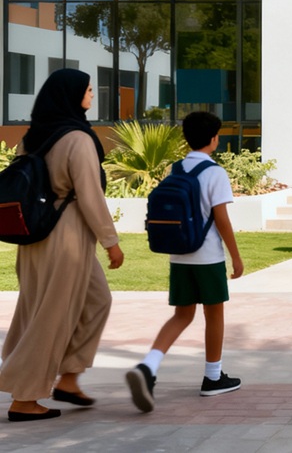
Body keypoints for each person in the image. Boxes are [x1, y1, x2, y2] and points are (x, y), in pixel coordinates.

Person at [0, 68, 124, 422]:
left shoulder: (35, 136)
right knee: (49, 316)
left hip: (37, 234)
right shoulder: (78, 139)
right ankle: (24, 398)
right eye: (87, 90)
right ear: (71, 95)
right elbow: (90, 195)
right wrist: (111, 242)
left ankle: (68, 378)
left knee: (96, 300)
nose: (91, 95)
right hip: (67, 236)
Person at [125, 111, 244, 413]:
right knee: (214, 314)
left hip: (179, 255)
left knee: (182, 315)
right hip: (207, 256)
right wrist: (236, 256)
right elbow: (222, 220)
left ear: (186, 137)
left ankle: (149, 366)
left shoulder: (175, 169)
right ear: (214, 139)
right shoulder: (215, 173)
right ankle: (213, 377)